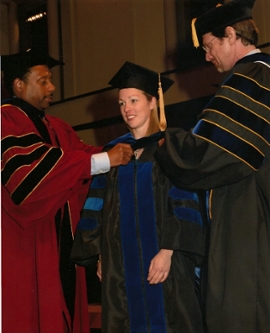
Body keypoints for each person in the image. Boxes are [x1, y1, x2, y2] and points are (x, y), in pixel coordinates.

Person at [154, 1, 270, 333]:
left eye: (209, 46)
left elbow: (210, 153)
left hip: (249, 216)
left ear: (231, 34)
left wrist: (167, 142)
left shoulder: (254, 76)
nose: (207, 56)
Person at [1, 49, 133, 333]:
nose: (52, 88)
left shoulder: (56, 126)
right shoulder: (5, 120)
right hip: (21, 243)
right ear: (18, 85)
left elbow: (83, 156)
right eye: (44, 80)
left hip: (57, 243)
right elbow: (27, 176)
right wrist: (99, 160)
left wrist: (130, 151)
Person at [71, 61, 207, 333]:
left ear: (153, 102)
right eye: (122, 103)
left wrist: (168, 251)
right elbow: (96, 207)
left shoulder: (170, 146)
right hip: (120, 266)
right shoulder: (114, 153)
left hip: (164, 260)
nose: (127, 109)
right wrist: (99, 255)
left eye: (134, 100)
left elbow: (185, 203)